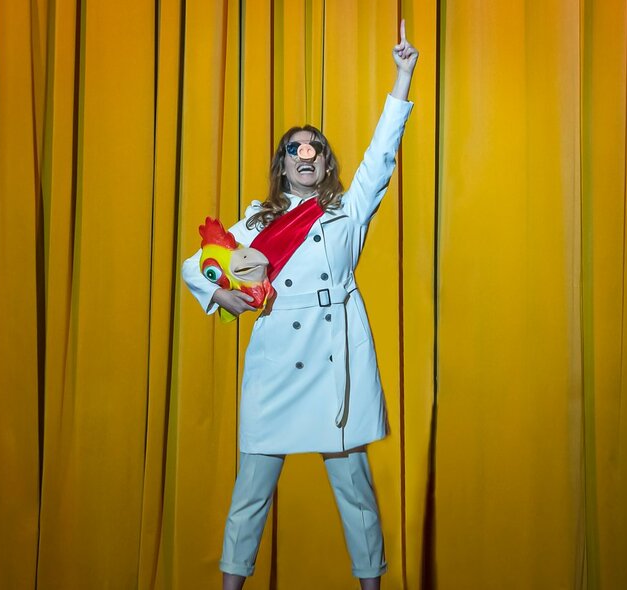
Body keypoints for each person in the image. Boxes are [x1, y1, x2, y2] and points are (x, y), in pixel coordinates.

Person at [181, 20, 418, 590]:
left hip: (335, 355)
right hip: (276, 366)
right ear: (283, 163)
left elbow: (382, 155)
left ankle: (371, 586)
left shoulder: (348, 210)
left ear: (325, 162)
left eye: (314, 148)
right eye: (295, 149)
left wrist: (402, 77)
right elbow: (196, 265)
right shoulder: (259, 221)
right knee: (250, 494)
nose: (305, 155)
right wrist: (224, 295)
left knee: (355, 491)